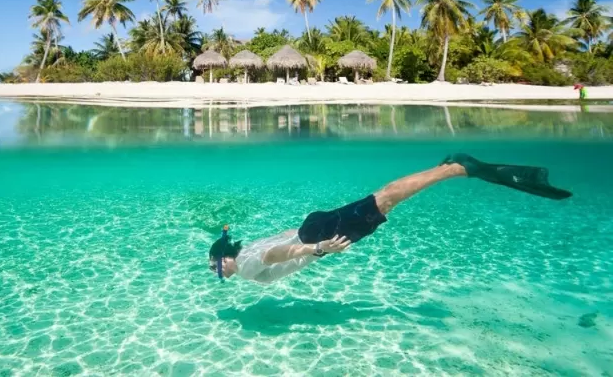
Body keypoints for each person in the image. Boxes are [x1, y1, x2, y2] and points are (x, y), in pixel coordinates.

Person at [208, 153, 572, 284]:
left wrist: (318, 248)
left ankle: (458, 167)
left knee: (383, 200)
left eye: (216, 268)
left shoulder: (248, 265)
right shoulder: (245, 250)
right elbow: (281, 238)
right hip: (311, 227)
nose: (219, 273)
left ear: (224, 258)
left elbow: (277, 255)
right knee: (382, 199)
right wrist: (310, 236)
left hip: (317, 236)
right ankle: (448, 167)